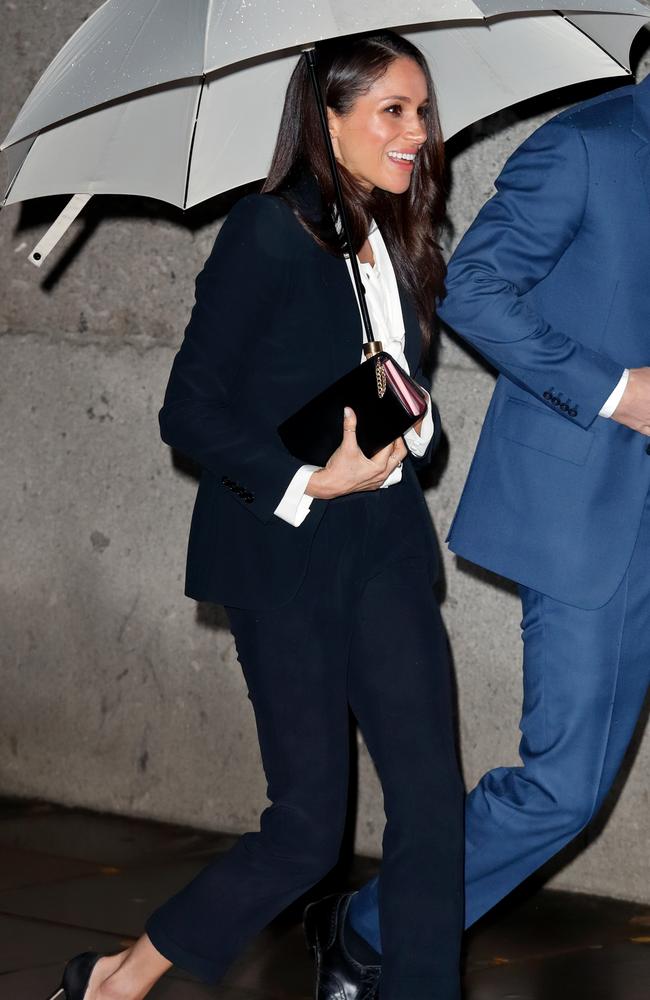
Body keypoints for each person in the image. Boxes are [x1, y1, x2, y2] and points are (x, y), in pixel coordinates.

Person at [47, 31, 464, 1000]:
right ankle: (119, 976)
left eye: (420, 110)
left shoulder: (397, 239)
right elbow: (187, 409)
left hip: (388, 545)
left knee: (431, 806)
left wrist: (413, 425)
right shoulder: (267, 232)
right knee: (309, 828)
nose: (416, 132)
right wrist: (306, 482)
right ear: (327, 118)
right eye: (391, 111)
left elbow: (389, 380)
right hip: (288, 551)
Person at [309, 70, 650, 997]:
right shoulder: (590, 144)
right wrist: (620, 390)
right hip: (602, 519)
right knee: (565, 788)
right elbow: (475, 289)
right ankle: (371, 926)